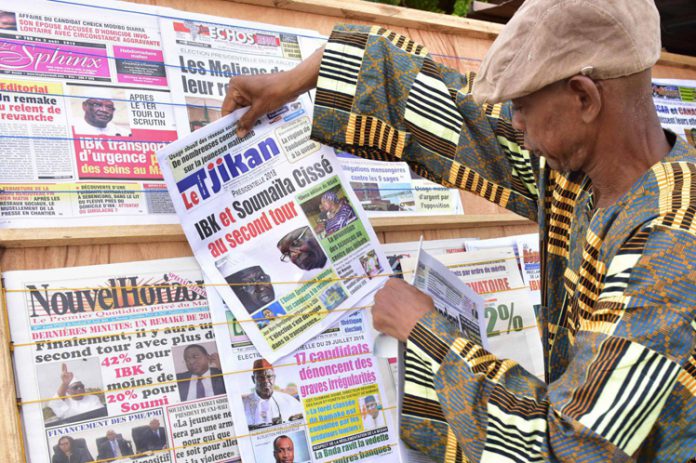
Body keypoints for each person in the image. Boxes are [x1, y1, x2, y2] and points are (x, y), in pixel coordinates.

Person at [222, 0, 696, 461]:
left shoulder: (670, 247)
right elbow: (451, 114)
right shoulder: (584, 172)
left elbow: (568, 450)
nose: (516, 125)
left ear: (584, 98)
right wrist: (295, 79)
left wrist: (426, 331)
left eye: (522, 106)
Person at [242, 359, 303, 429]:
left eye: (269, 376)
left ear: (274, 378)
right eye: (261, 377)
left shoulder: (289, 401)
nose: (265, 381)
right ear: (253, 379)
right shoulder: (243, 405)